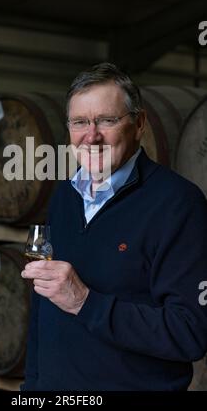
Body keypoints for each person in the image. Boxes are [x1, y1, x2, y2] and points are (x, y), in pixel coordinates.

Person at [20, 62, 207, 391]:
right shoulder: (65, 196)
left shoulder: (178, 204)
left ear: (139, 124)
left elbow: (190, 332)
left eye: (107, 120)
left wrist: (85, 302)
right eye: (80, 122)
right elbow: (43, 310)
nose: (91, 136)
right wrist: (32, 389)